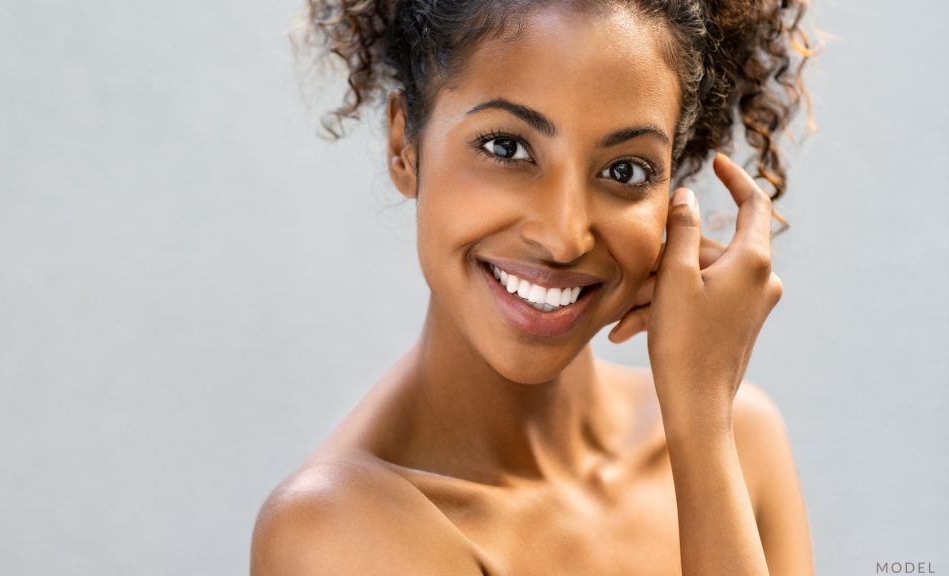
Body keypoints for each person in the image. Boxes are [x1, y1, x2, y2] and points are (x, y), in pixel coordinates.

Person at [253, 0, 819, 574]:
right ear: (405, 145)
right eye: (506, 147)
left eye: (625, 171)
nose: (564, 237)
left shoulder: (740, 438)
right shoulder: (339, 533)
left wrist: (701, 427)